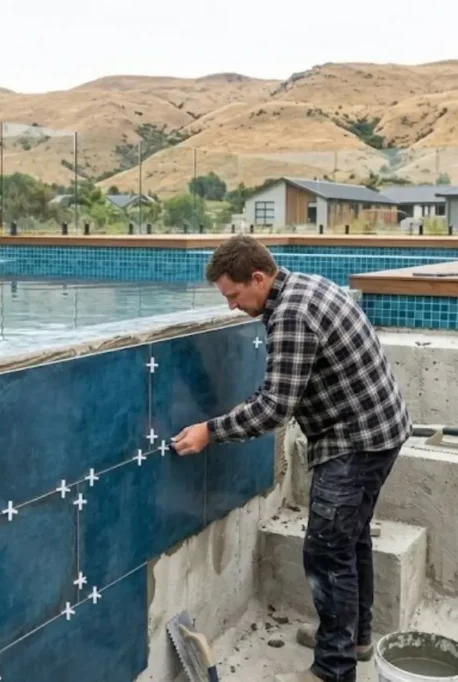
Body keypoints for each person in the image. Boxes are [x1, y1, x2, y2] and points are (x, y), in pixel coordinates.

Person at [171, 235, 411, 682]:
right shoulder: (304, 286)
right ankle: (354, 638)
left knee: (326, 552)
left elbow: (274, 407)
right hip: (381, 429)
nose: (231, 308)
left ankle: (332, 670)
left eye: (234, 295)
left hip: (356, 440)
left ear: (258, 277)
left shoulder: (291, 315)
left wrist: (210, 430)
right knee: (352, 538)